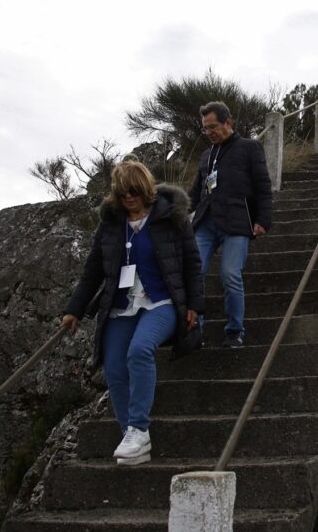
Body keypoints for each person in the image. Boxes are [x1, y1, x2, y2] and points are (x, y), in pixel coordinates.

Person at [62, 160, 203, 466]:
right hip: (121, 307)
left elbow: (192, 263)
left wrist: (194, 305)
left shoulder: (171, 218)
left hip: (162, 302)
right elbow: (92, 271)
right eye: (123, 192)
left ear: (146, 190)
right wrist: (73, 310)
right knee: (113, 368)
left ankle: (139, 428)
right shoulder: (111, 224)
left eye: (135, 192)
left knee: (139, 351)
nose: (129, 198)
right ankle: (132, 437)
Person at [190, 101, 273, 348]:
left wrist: (263, 219)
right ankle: (196, 332)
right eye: (205, 129)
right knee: (194, 274)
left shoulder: (249, 148)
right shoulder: (207, 156)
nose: (209, 132)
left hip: (237, 222)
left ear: (228, 123)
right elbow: (195, 192)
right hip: (206, 222)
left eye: (213, 127)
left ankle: (234, 331)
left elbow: (263, 186)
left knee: (229, 274)